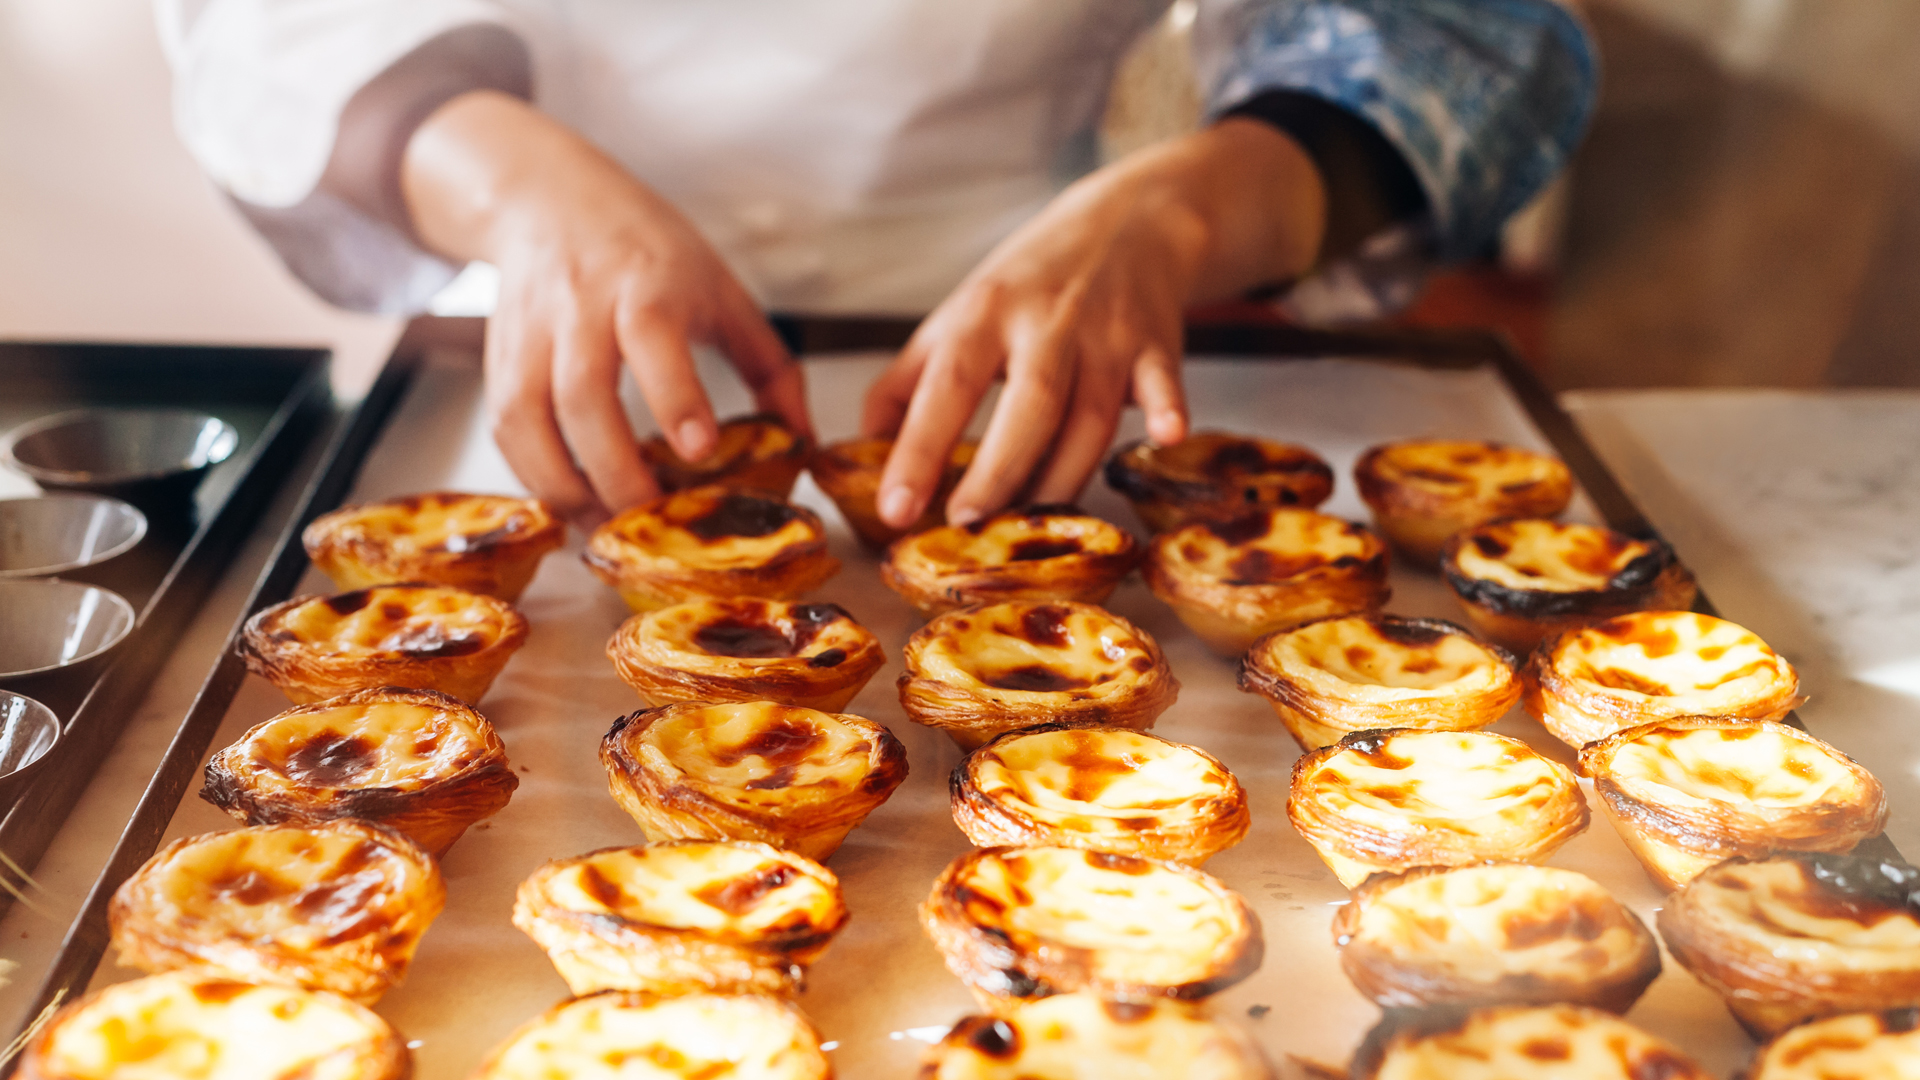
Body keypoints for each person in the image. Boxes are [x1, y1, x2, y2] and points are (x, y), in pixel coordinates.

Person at [159, 0, 1595, 528]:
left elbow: (1468, 34)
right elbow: (263, 28)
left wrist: (1178, 209)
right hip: (527, 353)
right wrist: (518, 185)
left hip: (1023, 352)